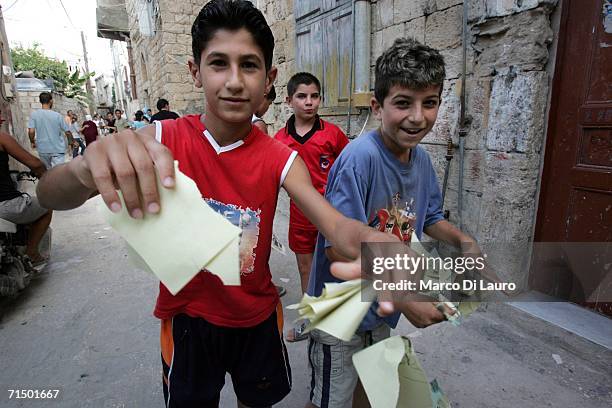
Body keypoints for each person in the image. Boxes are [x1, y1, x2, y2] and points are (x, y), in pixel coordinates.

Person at [35, 2, 412, 406]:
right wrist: (82, 171)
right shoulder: (162, 138)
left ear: (268, 79)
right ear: (195, 71)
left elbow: (335, 226)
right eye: (218, 63)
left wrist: (382, 247)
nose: (234, 81)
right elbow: (46, 195)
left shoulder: (281, 159)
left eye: (248, 65)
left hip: (257, 320)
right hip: (187, 321)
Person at [306, 38, 475, 408]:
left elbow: (428, 217)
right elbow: (337, 246)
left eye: (429, 103)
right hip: (341, 308)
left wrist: (462, 241)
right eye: (403, 103)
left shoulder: (422, 162)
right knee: (331, 396)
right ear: (377, 106)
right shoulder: (358, 160)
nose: (417, 117)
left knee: (374, 384)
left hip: (380, 304)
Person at [274, 72, 349, 342]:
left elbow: (349, 169)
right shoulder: (279, 141)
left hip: (332, 216)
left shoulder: (333, 135)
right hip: (300, 217)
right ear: (289, 100)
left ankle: (336, 316)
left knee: (335, 266)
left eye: (314, 96)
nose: (309, 102)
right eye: (302, 96)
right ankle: (310, 319)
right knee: (306, 269)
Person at [0, 131, 52, 265]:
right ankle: (32, 252)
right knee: (47, 204)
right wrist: (45, 178)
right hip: (5, 205)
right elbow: (35, 164)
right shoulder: (2, 137)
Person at [27, 92, 73, 169]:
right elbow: (67, 132)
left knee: (47, 172)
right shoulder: (57, 115)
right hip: (58, 149)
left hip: (43, 149)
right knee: (58, 172)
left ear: (40, 101)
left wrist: (32, 141)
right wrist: (72, 142)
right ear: (51, 101)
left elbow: (31, 131)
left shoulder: (34, 115)